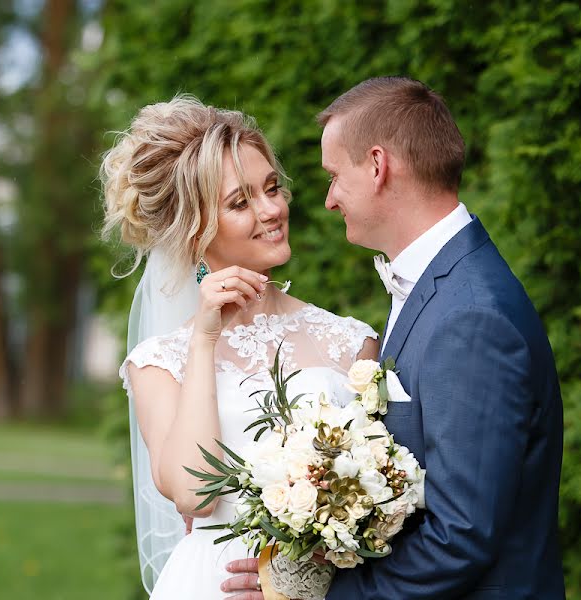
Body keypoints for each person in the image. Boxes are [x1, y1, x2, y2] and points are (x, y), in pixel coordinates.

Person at [223, 76, 565, 598]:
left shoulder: (470, 317)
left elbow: (462, 535)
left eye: (335, 176)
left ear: (379, 166)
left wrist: (320, 595)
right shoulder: (440, 285)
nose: (330, 199)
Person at [101, 95, 378, 599]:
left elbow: (380, 497)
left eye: (272, 189)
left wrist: (303, 575)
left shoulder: (350, 342)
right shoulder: (158, 363)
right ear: (194, 232)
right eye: (240, 202)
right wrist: (204, 339)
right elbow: (193, 493)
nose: (272, 210)